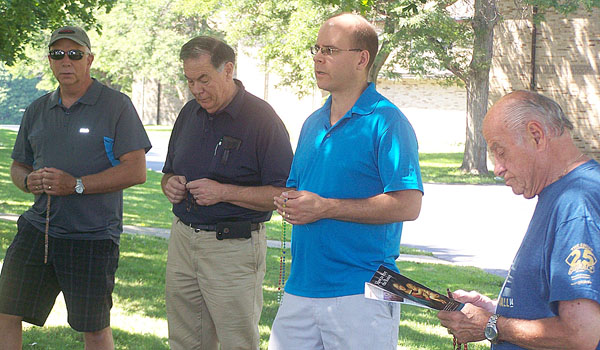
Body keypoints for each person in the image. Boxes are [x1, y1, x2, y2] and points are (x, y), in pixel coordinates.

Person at [268, 13, 424, 350]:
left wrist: (324, 207)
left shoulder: (388, 121)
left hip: (362, 290)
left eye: (331, 50)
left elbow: (409, 205)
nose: (318, 57)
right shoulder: (312, 123)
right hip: (301, 288)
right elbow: (296, 189)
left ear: (361, 58)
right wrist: (288, 202)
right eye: (317, 48)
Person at [0, 26, 151, 349]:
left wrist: (77, 185)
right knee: (5, 312)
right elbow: (18, 166)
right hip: (37, 230)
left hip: (92, 236)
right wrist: (27, 181)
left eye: (74, 54)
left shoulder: (115, 105)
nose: (65, 61)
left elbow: (137, 170)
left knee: (93, 328)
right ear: (50, 61)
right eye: (57, 54)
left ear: (89, 59)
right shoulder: (38, 109)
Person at [437, 90, 600, 349]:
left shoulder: (576, 202)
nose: (497, 168)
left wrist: (491, 325)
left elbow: (581, 334)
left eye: (500, 152)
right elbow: (551, 308)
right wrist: (493, 310)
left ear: (536, 135)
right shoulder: (564, 193)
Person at [161, 36, 293, 350]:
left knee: (237, 343)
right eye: (190, 81)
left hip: (233, 247)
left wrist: (223, 192)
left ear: (228, 69)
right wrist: (170, 185)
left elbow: (284, 192)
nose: (196, 89)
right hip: (183, 241)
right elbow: (168, 172)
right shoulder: (188, 114)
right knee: (185, 342)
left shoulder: (262, 119)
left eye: (203, 79)